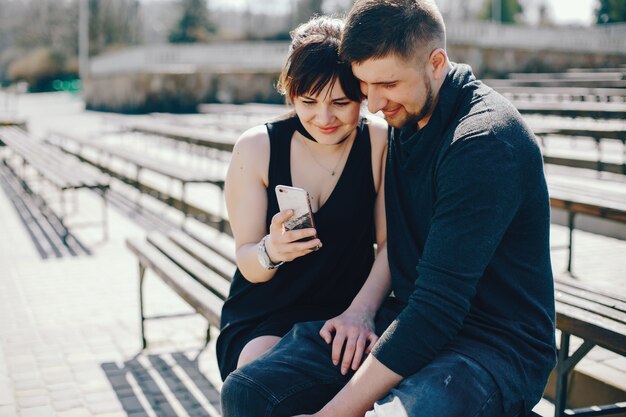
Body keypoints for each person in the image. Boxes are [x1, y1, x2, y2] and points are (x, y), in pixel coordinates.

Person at [220, 1, 557, 416]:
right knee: (249, 391)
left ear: (436, 64)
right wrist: (359, 313)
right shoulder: (405, 116)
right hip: (406, 320)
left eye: (388, 84)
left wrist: (333, 414)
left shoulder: (485, 143)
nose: (375, 105)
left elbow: (439, 307)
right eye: (365, 86)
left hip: (491, 344)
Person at [215, 16, 390, 382]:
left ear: (362, 94)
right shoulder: (256, 147)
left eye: (341, 102)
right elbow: (247, 261)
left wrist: (361, 311)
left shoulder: (377, 142)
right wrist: (272, 250)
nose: (324, 118)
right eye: (308, 101)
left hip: (348, 309)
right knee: (254, 381)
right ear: (291, 93)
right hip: (267, 312)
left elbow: (390, 245)